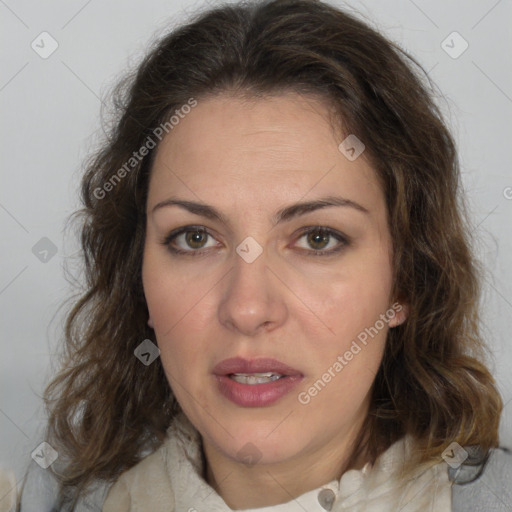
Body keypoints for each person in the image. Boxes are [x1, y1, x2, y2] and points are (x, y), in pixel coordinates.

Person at [11, 0, 511, 510]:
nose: (248, 309)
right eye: (195, 238)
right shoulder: (54, 497)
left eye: (318, 238)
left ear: (406, 276)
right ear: (137, 276)